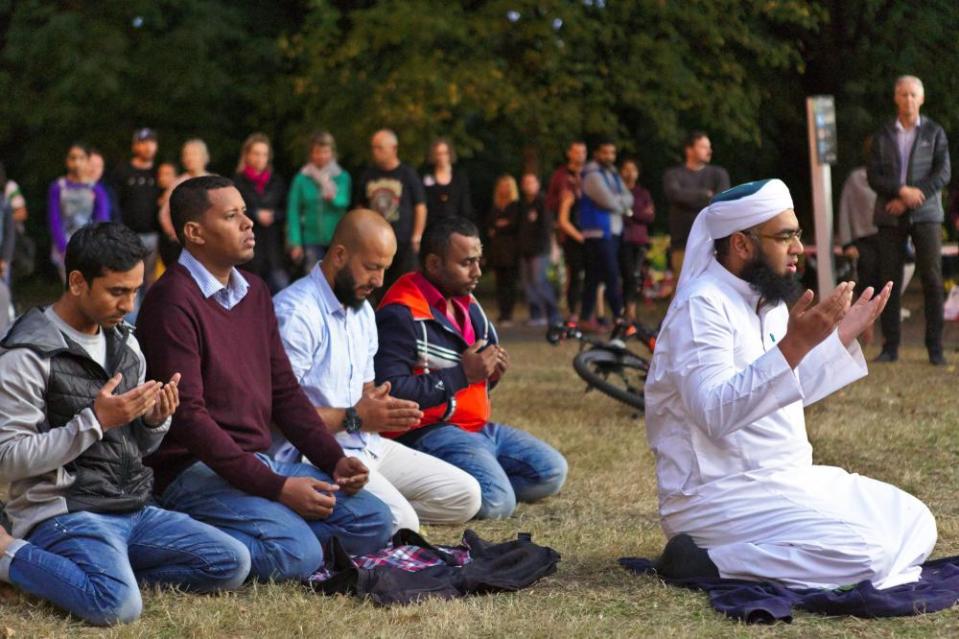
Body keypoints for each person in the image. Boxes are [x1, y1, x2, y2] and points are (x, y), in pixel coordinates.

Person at [645, 178, 936, 590]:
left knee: (916, 520)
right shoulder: (702, 306)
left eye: (797, 234)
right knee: (869, 554)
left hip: (785, 477)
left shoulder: (769, 299)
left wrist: (836, 339)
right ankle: (707, 562)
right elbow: (713, 413)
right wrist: (795, 344)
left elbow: (782, 393)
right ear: (742, 244)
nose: (799, 247)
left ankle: (796, 560)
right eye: (785, 236)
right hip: (717, 496)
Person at [136, 175, 391, 581]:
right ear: (195, 233)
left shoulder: (254, 291)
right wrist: (276, 489)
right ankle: (193, 537)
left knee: (375, 520)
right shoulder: (171, 301)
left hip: (257, 463)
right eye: (232, 215)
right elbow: (190, 420)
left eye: (246, 213)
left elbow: (286, 393)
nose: (248, 223)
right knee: (299, 554)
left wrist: (335, 459)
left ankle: (263, 529)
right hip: (193, 472)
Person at [0, 223, 249, 626]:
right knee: (117, 606)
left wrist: (154, 421)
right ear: (78, 282)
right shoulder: (26, 355)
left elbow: (137, 448)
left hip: (133, 507)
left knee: (231, 562)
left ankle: (101, 572)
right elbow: (7, 460)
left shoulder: (127, 344)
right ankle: (8, 553)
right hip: (64, 511)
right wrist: (95, 420)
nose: (129, 305)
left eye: (135, 290)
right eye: (117, 291)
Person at [272, 209, 481, 531]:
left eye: (385, 269)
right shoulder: (296, 312)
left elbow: (367, 391)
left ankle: (361, 515)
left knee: (465, 496)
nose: (380, 281)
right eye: (371, 268)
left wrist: (387, 408)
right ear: (340, 255)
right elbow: (279, 415)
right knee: (404, 524)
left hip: (366, 442)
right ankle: (358, 516)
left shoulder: (363, 310)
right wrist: (356, 416)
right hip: (313, 454)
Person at [375, 216, 568, 519]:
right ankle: (450, 483)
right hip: (429, 432)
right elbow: (391, 389)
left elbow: (472, 379)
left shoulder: (467, 302)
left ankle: (470, 477)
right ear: (434, 264)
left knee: (552, 472)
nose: (478, 271)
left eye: (478, 260)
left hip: (477, 428)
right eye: (467, 263)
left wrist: (490, 376)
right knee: (497, 503)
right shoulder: (400, 314)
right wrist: (464, 374)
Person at [868, 75, 952, 365]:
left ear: (922, 99)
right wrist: (900, 191)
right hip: (890, 217)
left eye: (913, 95)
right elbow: (873, 175)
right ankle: (890, 348)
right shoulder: (882, 135)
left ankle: (935, 349)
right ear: (895, 98)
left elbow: (943, 173)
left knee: (932, 278)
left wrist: (915, 196)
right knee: (888, 280)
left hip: (926, 214)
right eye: (903, 95)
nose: (908, 100)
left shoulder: (934, 132)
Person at [358, 129, 427, 294]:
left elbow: (420, 206)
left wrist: (417, 236)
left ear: (394, 148)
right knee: (377, 288)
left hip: (403, 242)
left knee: (405, 287)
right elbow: (360, 207)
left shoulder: (408, 174)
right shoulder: (368, 175)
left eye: (380, 147)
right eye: (373, 147)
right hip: (374, 244)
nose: (375, 152)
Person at [578, 139, 633, 329]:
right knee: (611, 274)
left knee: (593, 277)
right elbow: (607, 200)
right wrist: (621, 205)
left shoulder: (613, 174)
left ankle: (585, 316)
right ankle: (619, 316)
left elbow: (629, 197)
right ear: (597, 154)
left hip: (612, 231)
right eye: (605, 152)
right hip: (598, 232)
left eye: (612, 153)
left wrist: (619, 202)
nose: (609, 157)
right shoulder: (592, 175)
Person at [663, 131, 730, 277]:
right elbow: (675, 195)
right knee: (682, 288)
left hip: (712, 244)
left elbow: (720, 203)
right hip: (682, 243)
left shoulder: (718, 174)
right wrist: (705, 195)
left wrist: (688, 197)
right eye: (704, 147)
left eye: (709, 147)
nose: (709, 151)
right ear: (689, 150)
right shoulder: (673, 175)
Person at [287, 132, 351, 273]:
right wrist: (295, 242)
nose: (321, 156)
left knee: (337, 279)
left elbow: (344, 201)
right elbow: (293, 211)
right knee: (313, 279)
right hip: (311, 239)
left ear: (332, 153)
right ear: (311, 154)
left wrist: (333, 198)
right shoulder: (301, 179)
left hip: (337, 238)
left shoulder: (342, 176)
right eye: (317, 152)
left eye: (325, 152)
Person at [48, 144, 111, 281]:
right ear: (67, 161)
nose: (77, 162)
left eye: (81, 158)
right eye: (73, 158)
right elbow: (54, 218)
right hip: (64, 244)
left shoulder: (96, 189)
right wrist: (63, 248)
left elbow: (102, 219)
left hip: (89, 244)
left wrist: (93, 245)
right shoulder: (58, 187)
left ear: (88, 161)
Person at [235, 133, 288, 293]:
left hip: (274, 251)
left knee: (281, 291)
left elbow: (287, 211)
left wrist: (274, 216)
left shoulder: (277, 182)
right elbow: (234, 213)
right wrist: (255, 214)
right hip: (248, 252)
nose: (260, 158)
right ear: (247, 155)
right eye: (256, 153)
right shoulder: (237, 182)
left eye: (264, 154)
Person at [838, 139, 879, 343]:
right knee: (866, 287)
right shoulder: (856, 179)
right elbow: (845, 210)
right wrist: (847, 243)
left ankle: (890, 340)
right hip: (863, 241)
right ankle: (865, 332)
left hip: (892, 239)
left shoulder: (897, 179)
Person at [110, 128, 161, 290]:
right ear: (134, 146)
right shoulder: (122, 171)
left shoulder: (160, 172)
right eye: (143, 142)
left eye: (151, 142)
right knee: (128, 280)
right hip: (129, 235)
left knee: (151, 281)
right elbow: (114, 203)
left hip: (155, 236)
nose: (147, 147)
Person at [547, 141, 587, 321]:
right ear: (569, 153)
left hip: (588, 229)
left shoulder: (588, 175)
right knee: (574, 272)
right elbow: (551, 203)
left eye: (583, 152)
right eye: (576, 152)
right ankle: (572, 312)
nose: (580, 155)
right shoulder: (561, 176)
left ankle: (588, 312)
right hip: (569, 232)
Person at [517, 172, 560, 326]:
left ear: (537, 184)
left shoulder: (543, 202)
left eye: (531, 182)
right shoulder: (522, 204)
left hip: (540, 250)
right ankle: (536, 315)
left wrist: (550, 247)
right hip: (525, 250)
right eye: (525, 182)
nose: (528, 185)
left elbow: (547, 227)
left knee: (540, 281)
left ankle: (553, 314)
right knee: (528, 284)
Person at [620, 158, 655, 321]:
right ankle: (624, 309)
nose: (629, 173)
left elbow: (650, 216)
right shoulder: (617, 192)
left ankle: (631, 311)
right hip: (622, 239)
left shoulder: (643, 193)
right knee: (625, 274)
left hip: (639, 241)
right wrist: (637, 213)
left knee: (634, 275)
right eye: (626, 169)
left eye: (633, 169)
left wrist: (632, 213)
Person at [485, 175, 520, 325]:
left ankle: (508, 313)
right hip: (497, 250)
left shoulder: (516, 206)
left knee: (510, 282)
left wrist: (499, 226)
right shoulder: (495, 206)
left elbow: (513, 224)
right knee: (500, 282)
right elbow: (490, 224)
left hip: (511, 250)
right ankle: (502, 312)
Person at [423, 137, 473, 222]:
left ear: (450, 154)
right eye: (439, 153)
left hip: (456, 224)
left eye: (445, 153)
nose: (442, 157)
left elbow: (465, 205)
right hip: (432, 225)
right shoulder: (427, 176)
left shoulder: (459, 177)